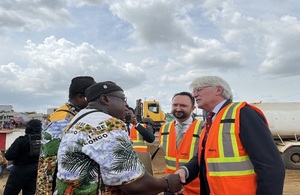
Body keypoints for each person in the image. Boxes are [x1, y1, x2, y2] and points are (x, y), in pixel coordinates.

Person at [55, 81, 182, 194]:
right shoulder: (107, 124)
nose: (125, 105)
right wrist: (167, 183)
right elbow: (133, 184)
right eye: (123, 99)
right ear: (105, 99)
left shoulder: (76, 120)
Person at [175, 76, 285, 195]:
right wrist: (185, 170)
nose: (194, 95)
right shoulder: (211, 120)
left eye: (198, 89)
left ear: (219, 90)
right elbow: (204, 157)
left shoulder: (243, 113)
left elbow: (271, 166)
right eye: (194, 91)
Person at [35, 76, 96, 195]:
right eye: (93, 97)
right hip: (56, 183)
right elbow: (53, 160)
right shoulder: (61, 119)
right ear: (80, 97)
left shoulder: (75, 114)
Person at [159, 91, 204, 195]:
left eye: (183, 105)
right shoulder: (164, 128)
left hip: (195, 188)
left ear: (193, 108)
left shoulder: (203, 128)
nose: (178, 108)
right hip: (171, 186)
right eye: (175, 105)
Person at [4, 119, 42, 195]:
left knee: (10, 192)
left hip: (20, 170)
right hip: (35, 170)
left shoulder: (21, 140)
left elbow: (8, 155)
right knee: (29, 192)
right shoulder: (43, 141)